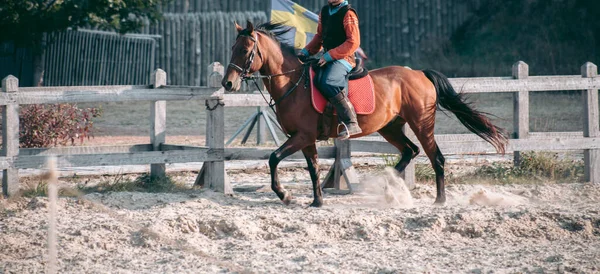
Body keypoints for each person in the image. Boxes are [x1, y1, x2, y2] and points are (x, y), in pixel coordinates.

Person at [298, 0, 362, 139]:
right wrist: (306, 52)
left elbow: (353, 42)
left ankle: (351, 121)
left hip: (345, 58)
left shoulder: (348, 13)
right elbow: (320, 37)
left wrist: (329, 56)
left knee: (329, 82)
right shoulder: (325, 11)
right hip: (328, 58)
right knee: (314, 79)